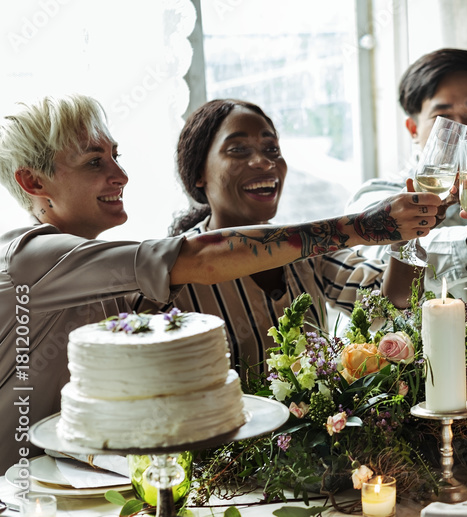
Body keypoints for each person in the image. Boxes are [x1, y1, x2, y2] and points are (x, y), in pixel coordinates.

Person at [0, 94, 441, 466]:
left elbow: (394, 302)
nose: (120, 175)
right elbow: (205, 258)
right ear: (32, 181)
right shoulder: (36, 258)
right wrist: (367, 225)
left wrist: (412, 231)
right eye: (95, 162)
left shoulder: (304, 259)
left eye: (116, 156)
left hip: (74, 476)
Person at [131, 99, 418, 372]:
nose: (264, 162)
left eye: (272, 150)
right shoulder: (176, 270)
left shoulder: (311, 250)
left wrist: (408, 235)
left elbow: (390, 304)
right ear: (198, 174)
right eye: (238, 150)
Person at [347, 48, 467, 297]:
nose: (460, 128)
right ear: (413, 128)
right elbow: (381, 256)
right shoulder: (374, 197)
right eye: (443, 118)